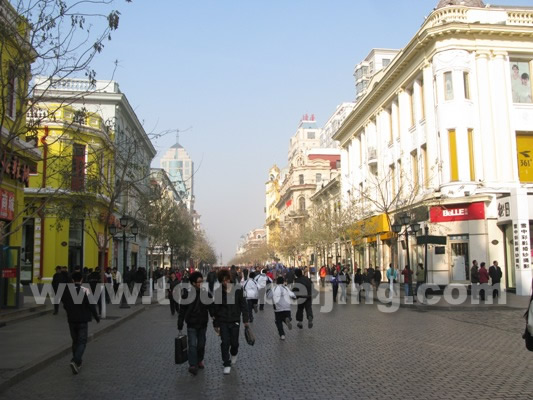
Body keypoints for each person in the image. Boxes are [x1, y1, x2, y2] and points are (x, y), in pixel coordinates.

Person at [61, 272, 100, 374]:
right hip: (83, 320)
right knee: (82, 341)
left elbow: (64, 304)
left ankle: (77, 363)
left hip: (71, 320)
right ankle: (75, 360)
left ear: (73, 280)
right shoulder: (85, 290)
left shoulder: (66, 291)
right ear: (82, 280)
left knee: (75, 341)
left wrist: (69, 311)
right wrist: (96, 317)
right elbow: (92, 305)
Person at [212, 269, 249, 375]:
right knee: (225, 343)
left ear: (230, 279)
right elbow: (216, 309)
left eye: (227, 280)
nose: (225, 283)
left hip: (235, 320)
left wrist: (245, 319)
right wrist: (216, 323)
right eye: (223, 281)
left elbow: (244, 305)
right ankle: (226, 363)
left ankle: (234, 353)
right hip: (223, 320)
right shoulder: (219, 291)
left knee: (234, 343)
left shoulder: (238, 289)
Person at [178, 272, 212, 376]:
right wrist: (180, 323)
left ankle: (199, 360)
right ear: (193, 283)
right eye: (199, 282)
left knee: (201, 344)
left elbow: (211, 306)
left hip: (202, 323)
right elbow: (182, 310)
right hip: (191, 323)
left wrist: (215, 319)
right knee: (192, 345)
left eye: (202, 281)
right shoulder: (187, 294)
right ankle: (192, 364)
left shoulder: (205, 293)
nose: (201, 283)